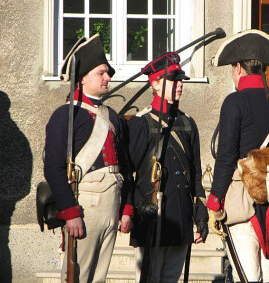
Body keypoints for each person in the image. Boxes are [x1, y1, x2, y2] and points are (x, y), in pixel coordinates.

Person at [44, 34, 134, 283]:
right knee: (78, 275)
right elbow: (53, 168)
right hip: (85, 204)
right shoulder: (65, 115)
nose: (108, 77)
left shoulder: (112, 116)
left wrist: (126, 208)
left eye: (108, 72)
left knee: (100, 277)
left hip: (112, 203)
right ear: (82, 79)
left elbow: (124, 165)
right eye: (101, 73)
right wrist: (70, 211)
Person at [207, 30, 269, 283]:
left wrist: (215, 200)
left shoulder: (234, 102)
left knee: (247, 278)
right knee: (268, 278)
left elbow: (225, 156)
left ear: (237, 69)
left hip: (241, 204)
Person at [127, 52, 209, 282]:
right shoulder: (141, 122)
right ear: (155, 83)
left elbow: (195, 173)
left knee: (171, 278)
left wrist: (200, 215)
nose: (180, 85)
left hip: (180, 216)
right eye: (173, 79)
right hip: (152, 216)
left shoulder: (188, 123)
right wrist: (136, 206)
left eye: (181, 79)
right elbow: (126, 172)